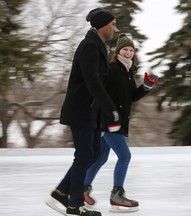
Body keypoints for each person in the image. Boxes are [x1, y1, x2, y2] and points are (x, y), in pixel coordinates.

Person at [45, 8, 121, 216]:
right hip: (81, 110)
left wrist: (104, 109)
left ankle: (62, 192)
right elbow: (92, 81)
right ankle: (74, 205)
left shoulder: (98, 46)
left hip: (91, 112)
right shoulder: (89, 45)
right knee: (85, 154)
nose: (115, 28)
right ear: (102, 25)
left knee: (94, 153)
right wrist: (110, 107)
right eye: (113, 24)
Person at [83, 33, 159, 212]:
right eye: (125, 49)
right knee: (125, 156)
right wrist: (105, 115)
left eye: (131, 50)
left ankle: (82, 189)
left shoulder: (127, 71)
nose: (129, 52)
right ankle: (117, 195)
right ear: (117, 52)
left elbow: (131, 96)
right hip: (110, 121)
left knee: (100, 158)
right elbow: (98, 90)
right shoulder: (112, 69)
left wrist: (146, 87)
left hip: (117, 121)